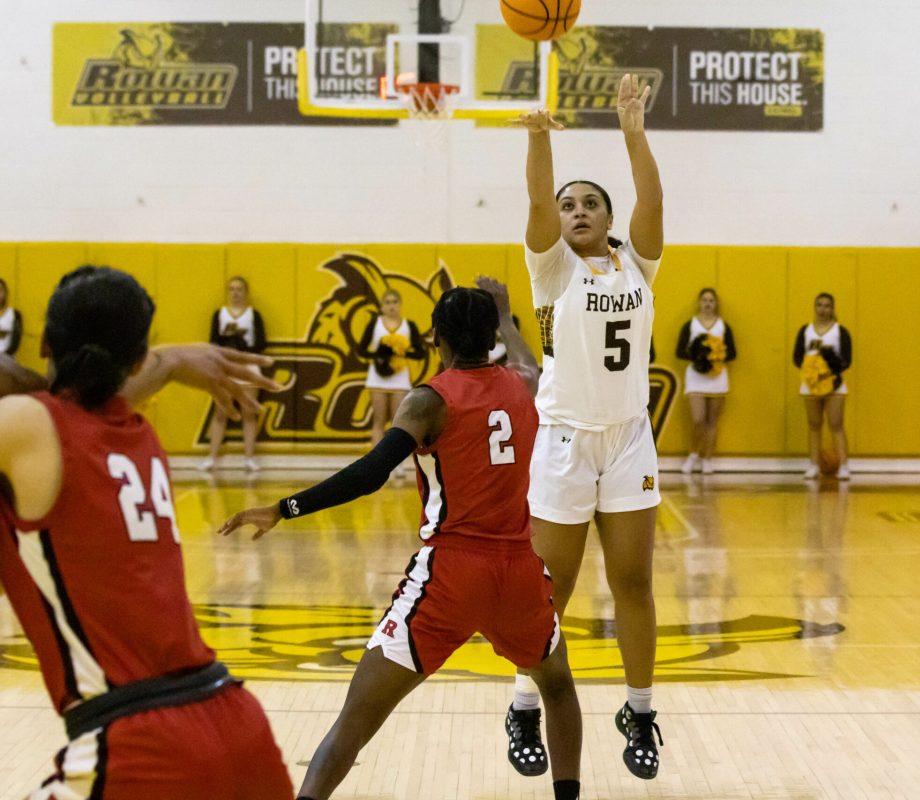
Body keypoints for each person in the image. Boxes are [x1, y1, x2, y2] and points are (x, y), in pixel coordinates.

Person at [219, 278, 584, 800]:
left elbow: (370, 474)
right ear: (492, 336)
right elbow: (528, 361)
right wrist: (506, 316)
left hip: (452, 573)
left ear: (436, 337)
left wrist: (284, 508)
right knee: (558, 687)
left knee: (354, 723)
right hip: (519, 570)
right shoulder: (524, 382)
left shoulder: (428, 401)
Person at [0, 266, 292, 800]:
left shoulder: (23, 428)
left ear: (43, 340)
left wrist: (174, 361)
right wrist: (174, 360)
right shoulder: (137, 434)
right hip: (239, 726)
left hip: (136, 747)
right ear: (135, 360)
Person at [513, 72, 665, 781]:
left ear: (607, 218)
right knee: (552, 585)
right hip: (566, 440)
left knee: (633, 580)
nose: (576, 210)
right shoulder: (550, 270)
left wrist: (633, 132)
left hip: (629, 437)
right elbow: (538, 197)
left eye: (590, 203)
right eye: (570, 204)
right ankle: (522, 703)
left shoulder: (639, 262)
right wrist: (541, 135)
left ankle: (640, 709)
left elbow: (653, 201)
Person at [202, 276, 268, 472]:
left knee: (249, 412)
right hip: (225, 368)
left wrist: (242, 344)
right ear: (227, 292)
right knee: (221, 412)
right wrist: (227, 342)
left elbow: (262, 343)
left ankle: (249, 458)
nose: (235, 293)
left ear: (246, 292)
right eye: (231, 289)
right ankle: (211, 458)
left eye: (239, 289)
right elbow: (212, 342)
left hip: (248, 368)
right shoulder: (219, 314)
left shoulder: (253, 315)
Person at [356, 289, 426, 473]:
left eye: (395, 301)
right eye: (387, 302)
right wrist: (380, 353)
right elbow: (361, 350)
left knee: (398, 422)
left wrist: (402, 351)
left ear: (400, 304)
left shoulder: (409, 325)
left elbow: (420, 352)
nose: (391, 305)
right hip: (377, 378)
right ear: (381, 305)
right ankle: (375, 466)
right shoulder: (375, 323)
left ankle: (398, 465)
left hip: (400, 378)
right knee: (379, 420)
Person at [675, 288, 737, 475]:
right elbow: (679, 351)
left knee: (712, 421)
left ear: (716, 304)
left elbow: (733, 353)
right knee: (698, 420)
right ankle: (693, 455)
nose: (708, 304)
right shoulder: (690, 325)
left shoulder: (723, 326)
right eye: (704, 300)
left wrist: (715, 356)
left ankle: (707, 459)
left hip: (717, 377)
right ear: (699, 303)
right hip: (696, 377)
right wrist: (699, 354)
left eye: (711, 300)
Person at [793, 292, 853, 480]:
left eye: (827, 305)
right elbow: (797, 357)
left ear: (832, 309)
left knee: (836, 424)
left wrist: (828, 369)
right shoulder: (805, 330)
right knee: (814, 424)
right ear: (814, 307)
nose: (823, 309)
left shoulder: (840, 331)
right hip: (811, 384)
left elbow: (847, 359)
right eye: (819, 305)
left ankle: (844, 466)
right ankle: (813, 465)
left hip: (833, 384)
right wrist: (811, 369)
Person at [0, 277, 22, 356]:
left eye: (0, 290)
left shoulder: (14, 314)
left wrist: (4, 356)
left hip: (6, 361)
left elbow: (16, 342)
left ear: (5, 292)